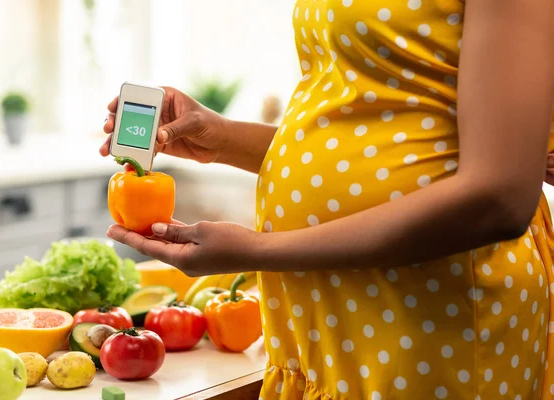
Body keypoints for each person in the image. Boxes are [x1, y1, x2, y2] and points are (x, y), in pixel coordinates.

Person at [101, 1, 554, 399]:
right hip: (326, 322)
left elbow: (498, 196)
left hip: (430, 313)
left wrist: (257, 250)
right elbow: (372, 126)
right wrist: (222, 139)